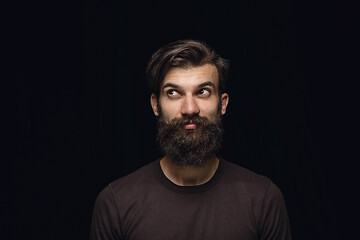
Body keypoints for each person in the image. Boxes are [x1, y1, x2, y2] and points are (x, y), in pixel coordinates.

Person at [90, 39, 292, 240]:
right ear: (155, 105)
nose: (189, 109)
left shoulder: (262, 199)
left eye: (202, 92)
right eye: (174, 93)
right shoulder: (116, 203)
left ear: (222, 104)